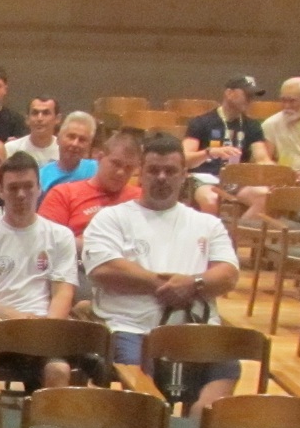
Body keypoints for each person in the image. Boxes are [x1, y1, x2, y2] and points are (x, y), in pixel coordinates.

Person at [84, 133, 242, 411]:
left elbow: (228, 274)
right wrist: (167, 285)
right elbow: (104, 269)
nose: (161, 177)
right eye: (153, 170)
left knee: (227, 369)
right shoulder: (111, 218)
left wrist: (193, 283)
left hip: (194, 329)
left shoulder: (207, 224)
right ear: (140, 173)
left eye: (170, 171)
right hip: (131, 328)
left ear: (184, 175)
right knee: (143, 387)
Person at [0, 152, 78, 386]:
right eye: (13, 188)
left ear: (39, 188)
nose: (21, 194)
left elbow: (63, 292)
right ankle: (28, 347)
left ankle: (36, 354)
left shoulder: (61, 236)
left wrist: (47, 327)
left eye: (28, 186)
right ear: (0, 191)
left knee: (59, 369)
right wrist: (18, 320)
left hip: (44, 327)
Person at [183, 75, 273, 215]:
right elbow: (185, 159)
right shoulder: (201, 122)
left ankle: (237, 229)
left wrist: (278, 173)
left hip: (237, 180)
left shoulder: (252, 126)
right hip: (205, 178)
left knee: (264, 195)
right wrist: (209, 152)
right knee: (212, 199)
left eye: (252, 96)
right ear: (229, 93)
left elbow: (262, 158)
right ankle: (212, 229)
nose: (250, 100)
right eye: (247, 94)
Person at [40, 127, 144, 246]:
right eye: (116, 163)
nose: (121, 172)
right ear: (99, 158)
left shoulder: (140, 198)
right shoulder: (64, 194)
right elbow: (47, 241)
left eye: (129, 168)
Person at [37, 112, 99, 195]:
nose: (75, 144)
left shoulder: (97, 170)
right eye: (71, 137)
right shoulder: (41, 176)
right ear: (58, 139)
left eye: (82, 140)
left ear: (89, 145)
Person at [5, 96, 61, 165]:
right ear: (27, 119)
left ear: (57, 119)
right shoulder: (11, 150)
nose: (40, 118)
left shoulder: (64, 150)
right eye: (35, 113)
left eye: (46, 113)